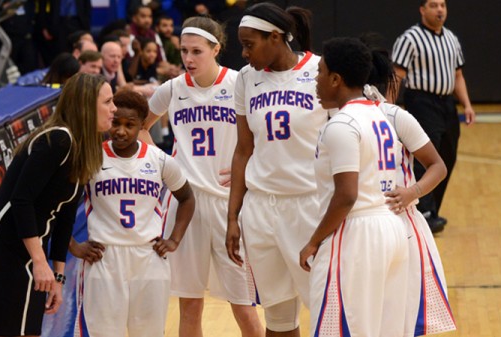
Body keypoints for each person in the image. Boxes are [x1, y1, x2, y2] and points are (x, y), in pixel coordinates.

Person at [0, 73, 116, 336]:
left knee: (28, 331)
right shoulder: (58, 140)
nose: (113, 109)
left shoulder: (84, 146)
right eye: (108, 102)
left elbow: (65, 215)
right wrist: (39, 260)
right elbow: (21, 199)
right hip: (3, 244)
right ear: (86, 106)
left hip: (29, 246)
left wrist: (58, 275)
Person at [142, 16, 264, 337]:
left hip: (230, 205)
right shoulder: (172, 88)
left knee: (243, 303)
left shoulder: (240, 82)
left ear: (216, 49)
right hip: (187, 204)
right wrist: (162, 164)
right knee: (190, 304)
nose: (188, 59)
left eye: (196, 51)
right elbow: (141, 125)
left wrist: (250, 167)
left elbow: (265, 133)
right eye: (183, 51)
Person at [226, 3, 326, 336]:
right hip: (261, 209)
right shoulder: (245, 79)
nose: (243, 53)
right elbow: (243, 150)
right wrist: (232, 218)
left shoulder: (321, 70)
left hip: (310, 205)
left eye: (249, 44)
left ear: (275, 37)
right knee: (279, 320)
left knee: (330, 311)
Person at [299, 37, 408, 337]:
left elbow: (346, 195)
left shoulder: (342, 124)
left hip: (357, 235)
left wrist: (313, 241)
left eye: (320, 72)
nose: (316, 80)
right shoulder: (380, 114)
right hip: (391, 230)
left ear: (336, 79)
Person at [71, 89, 195, 337]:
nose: (121, 131)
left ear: (142, 126)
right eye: (116, 123)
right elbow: (60, 205)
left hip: (148, 257)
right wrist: (73, 245)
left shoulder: (159, 160)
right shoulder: (91, 158)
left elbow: (187, 198)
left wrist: (174, 239)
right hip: (104, 257)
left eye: (130, 125)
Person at [362, 36, 456, 336]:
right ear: (391, 82)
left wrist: (413, 192)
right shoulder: (340, 118)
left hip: (399, 223)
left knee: (397, 317)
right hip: (360, 224)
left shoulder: (395, 116)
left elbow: (436, 165)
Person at [391, 0, 476, 232]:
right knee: (426, 158)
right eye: (433, 5)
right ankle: (424, 212)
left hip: (447, 104)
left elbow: (458, 75)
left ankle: (432, 208)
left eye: (443, 5)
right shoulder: (409, 38)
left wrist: (466, 105)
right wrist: (386, 105)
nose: (440, 10)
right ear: (422, 10)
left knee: (448, 156)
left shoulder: (451, 38)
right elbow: (397, 75)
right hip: (422, 102)